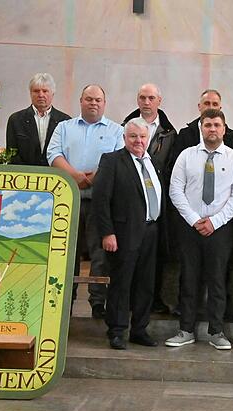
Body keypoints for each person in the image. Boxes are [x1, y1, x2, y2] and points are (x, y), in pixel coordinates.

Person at [166, 109, 233, 350]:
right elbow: (175, 190)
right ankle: (186, 329)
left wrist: (215, 221)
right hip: (190, 227)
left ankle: (216, 331)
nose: (212, 129)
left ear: (224, 129)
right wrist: (194, 219)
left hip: (220, 228)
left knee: (217, 280)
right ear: (201, 127)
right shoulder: (186, 156)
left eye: (217, 125)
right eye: (208, 124)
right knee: (189, 278)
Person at [47, 84, 124, 318]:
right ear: (81, 101)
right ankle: (64, 301)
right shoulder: (64, 127)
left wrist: (94, 178)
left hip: (100, 203)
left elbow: (118, 160)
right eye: (89, 99)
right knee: (66, 251)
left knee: (99, 253)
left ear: (104, 103)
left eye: (98, 100)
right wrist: (75, 175)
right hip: (67, 199)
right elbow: (53, 154)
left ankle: (97, 302)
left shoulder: (116, 130)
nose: (93, 103)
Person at [92, 118, 163, 350]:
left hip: (151, 231)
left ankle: (140, 330)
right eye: (133, 136)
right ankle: (117, 330)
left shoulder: (153, 163)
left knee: (146, 283)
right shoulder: (112, 161)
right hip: (123, 233)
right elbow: (101, 200)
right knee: (122, 284)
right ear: (124, 138)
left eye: (142, 136)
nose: (138, 141)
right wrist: (107, 233)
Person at [121, 83, 177, 315]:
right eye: (142, 97)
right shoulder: (125, 127)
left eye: (151, 98)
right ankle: (126, 305)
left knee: (154, 258)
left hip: (157, 205)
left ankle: (152, 301)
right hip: (130, 204)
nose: (146, 102)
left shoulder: (170, 133)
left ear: (159, 101)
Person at [6, 73, 70, 166]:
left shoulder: (65, 121)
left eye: (45, 91)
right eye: (36, 91)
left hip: (55, 176)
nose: (41, 95)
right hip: (24, 176)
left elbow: (67, 154)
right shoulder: (16, 120)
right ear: (30, 93)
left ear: (52, 94)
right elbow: (12, 154)